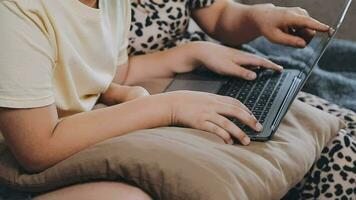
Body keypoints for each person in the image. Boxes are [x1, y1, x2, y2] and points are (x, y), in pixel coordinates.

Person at [0, 0, 331, 199]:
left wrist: (191, 54)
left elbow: (115, 72)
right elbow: (36, 148)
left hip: (69, 139)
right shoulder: (17, 11)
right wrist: (166, 107)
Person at [128, 0, 356, 199]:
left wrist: (259, 17)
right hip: (157, 93)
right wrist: (191, 53)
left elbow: (217, 15)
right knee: (341, 153)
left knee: (348, 127)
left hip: (211, 67)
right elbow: (107, 75)